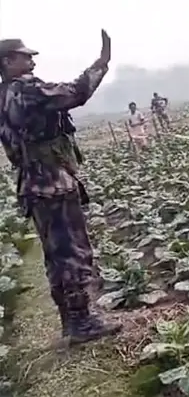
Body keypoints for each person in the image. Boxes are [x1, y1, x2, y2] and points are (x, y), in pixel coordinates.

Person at [0, 31, 122, 344]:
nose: (31, 61)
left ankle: (70, 321)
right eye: (24, 56)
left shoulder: (4, 95)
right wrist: (102, 63)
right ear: (6, 62)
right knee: (73, 252)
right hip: (52, 182)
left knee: (55, 255)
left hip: (32, 184)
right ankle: (82, 322)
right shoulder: (26, 89)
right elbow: (76, 93)